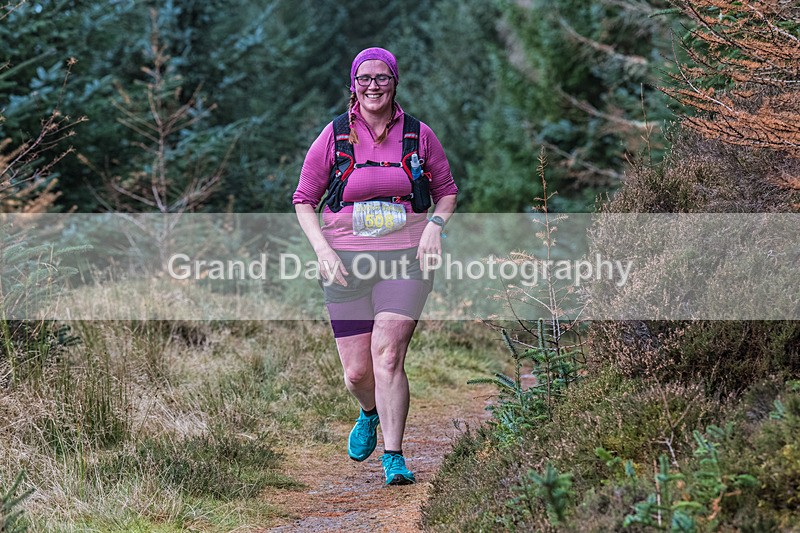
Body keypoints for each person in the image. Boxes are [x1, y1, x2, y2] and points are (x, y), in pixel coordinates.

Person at [292, 47, 457, 485]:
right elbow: (304, 200)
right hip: (344, 262)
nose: (373, 86)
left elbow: (447, 190)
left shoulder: (419, 135)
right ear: (353, 84)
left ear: (394, 82)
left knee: (387, 357)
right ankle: (368, 412)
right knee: (357, 372)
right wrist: (323, 252)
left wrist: (434, 227)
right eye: (364, 78)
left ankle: (394, 455)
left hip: (406, 259)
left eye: (382, 78)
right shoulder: (334, 137)